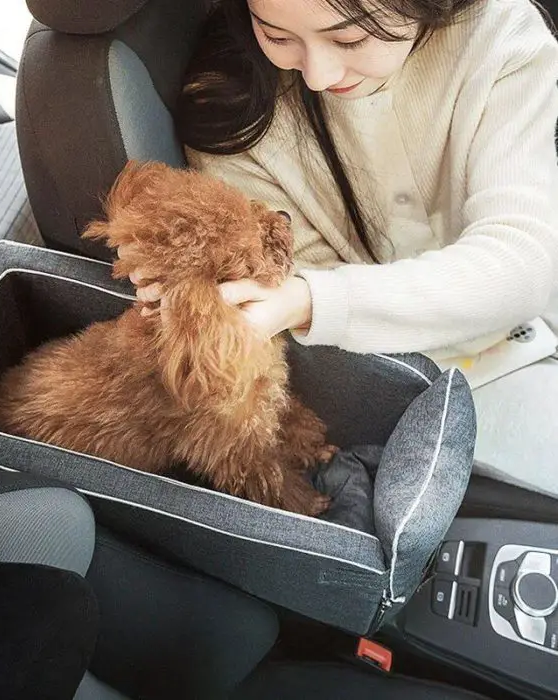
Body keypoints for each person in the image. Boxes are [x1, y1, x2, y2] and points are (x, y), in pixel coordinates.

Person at [121, 0, 558, 497]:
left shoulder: (499, 36)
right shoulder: (231, 111)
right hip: (424, 385)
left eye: (351, 39)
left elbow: (523, 262)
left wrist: (313, 299)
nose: (318, 74)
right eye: (277, 37)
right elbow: (280, 287)